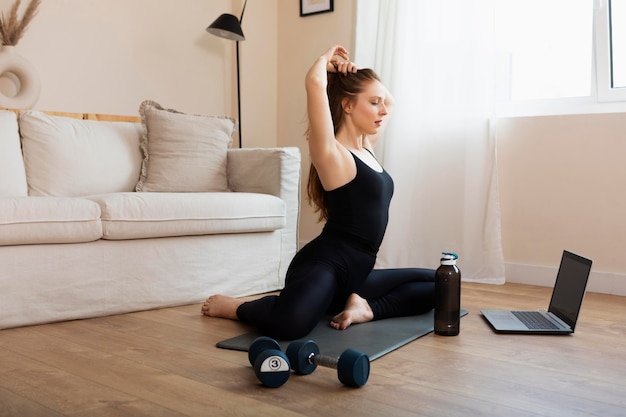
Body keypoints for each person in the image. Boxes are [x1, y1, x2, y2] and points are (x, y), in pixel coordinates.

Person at [202, 45, 435, 341]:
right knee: (291, 326)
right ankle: (237, 307)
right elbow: (314, 84)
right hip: (324, 266)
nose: (383, 109)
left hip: (357, 275)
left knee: (443, 284)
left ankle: (364, 308)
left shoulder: (367, 147)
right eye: (373, 103)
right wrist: (327, 62)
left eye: (380, 103)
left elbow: (392, 100)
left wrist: (360, 76)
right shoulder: (332, 154)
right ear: (347, 106)